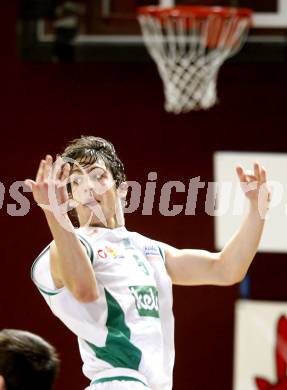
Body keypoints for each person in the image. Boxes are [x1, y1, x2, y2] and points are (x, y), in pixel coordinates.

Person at [25, 136, 271, 390]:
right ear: (71, 198)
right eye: (76, 181)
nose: (87, 186)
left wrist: (257, 209)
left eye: (97, 176)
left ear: (122, 189)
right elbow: (84, 290)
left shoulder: (149, 249)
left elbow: (226, 269)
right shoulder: (71, 243)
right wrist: (55, 213)